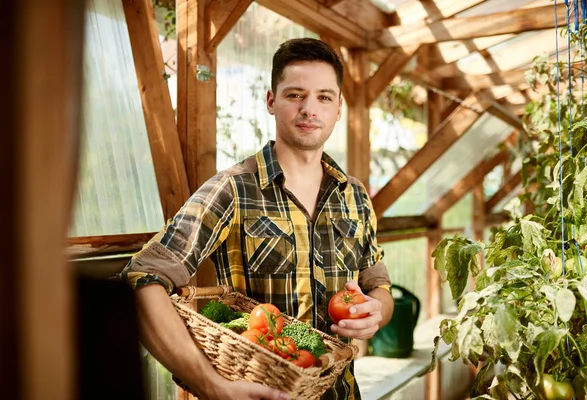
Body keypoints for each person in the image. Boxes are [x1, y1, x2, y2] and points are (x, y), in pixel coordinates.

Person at [119, 37, 394, 400]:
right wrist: (209, 385)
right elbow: (140, 281)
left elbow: (379, 287)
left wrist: (377, 311)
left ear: (339, 108)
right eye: (295, 94)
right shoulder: (233, 189)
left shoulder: (355, 196)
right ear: (271, 101)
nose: (310, 108)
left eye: (324, 97)